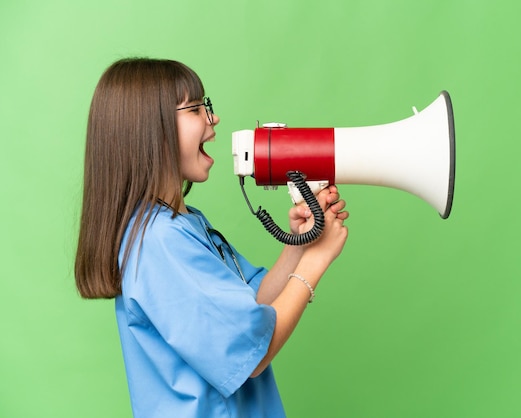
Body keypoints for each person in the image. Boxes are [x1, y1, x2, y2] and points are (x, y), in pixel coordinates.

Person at [74, 57, 349, 418]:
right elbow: (250, 352)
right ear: (148, 130)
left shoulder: (182, 223)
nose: (212, 117)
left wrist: (301, 246)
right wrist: (316, 262)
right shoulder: (159, 242)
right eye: (195, 108)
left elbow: (249, 314)